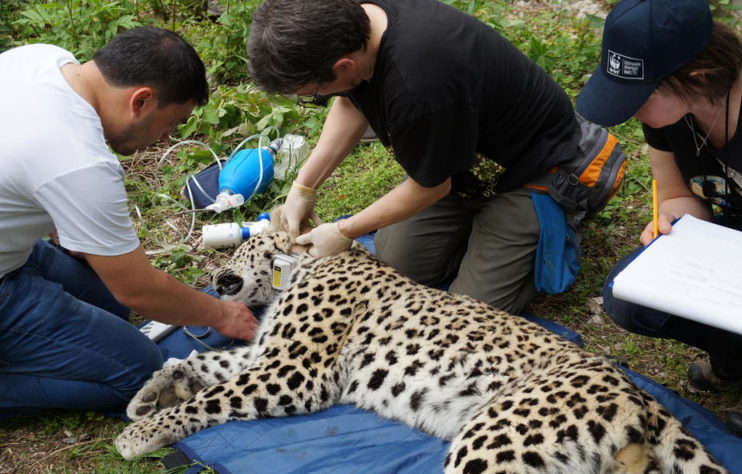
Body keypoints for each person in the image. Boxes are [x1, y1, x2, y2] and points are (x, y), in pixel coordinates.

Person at [246, 0, 580, 315]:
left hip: (529, 170)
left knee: (466, 313)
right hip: (460, 164)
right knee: (394, 265)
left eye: (315, 93)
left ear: (344, 65)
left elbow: (430, 188)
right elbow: (351, 98)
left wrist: (345, 230)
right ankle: (476, 234)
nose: (319, 98)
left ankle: (541, 231)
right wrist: (304, 186)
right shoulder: (348, 21)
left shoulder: (418, 89)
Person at [0, 27, 259, 417]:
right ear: (141, 100)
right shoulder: (80, 160)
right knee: (143, 374)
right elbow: (138, 291)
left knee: (112, 309)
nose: (163, 139)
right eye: (170, 124)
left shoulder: (42, 59)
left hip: (12, 248)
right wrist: (222, 314)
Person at [576, 0, 742, 442]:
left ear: (696, 78)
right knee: (630, 298)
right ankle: (736, 359)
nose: (629, 110)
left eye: (638, 98)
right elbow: (679, 194)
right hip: (740, 249)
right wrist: (672, 225)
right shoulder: (673, 106)